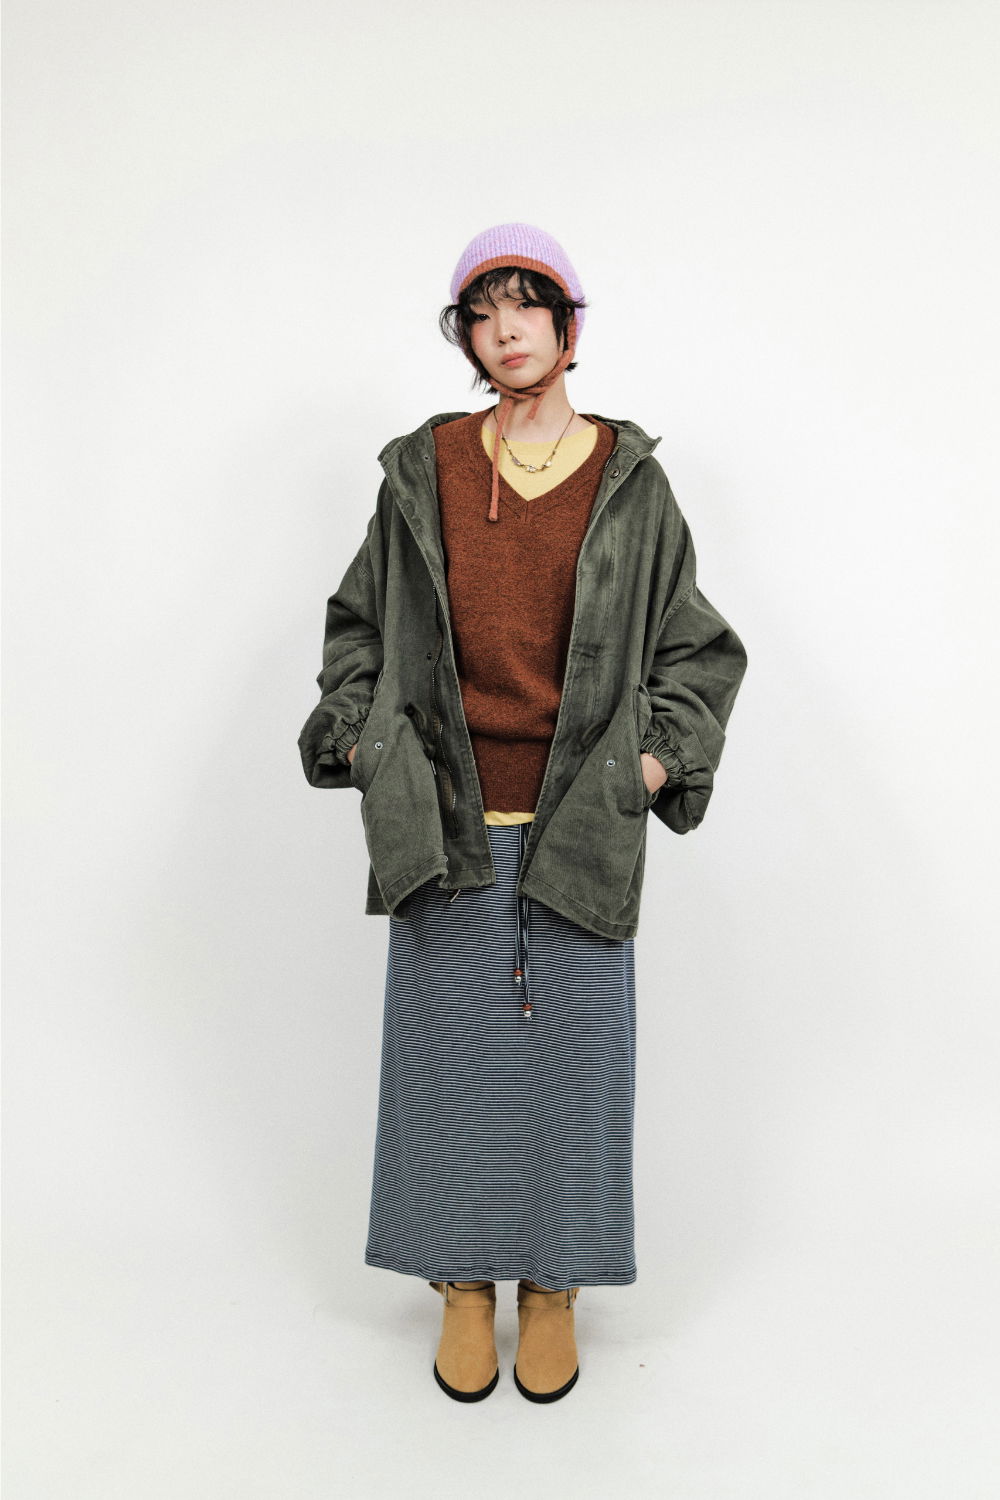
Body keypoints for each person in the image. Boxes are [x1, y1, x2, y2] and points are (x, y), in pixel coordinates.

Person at [298, 222, 748, 1404]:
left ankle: (553, 1288)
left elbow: (696, 652)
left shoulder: (630, 483)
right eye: (481, 311)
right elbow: (357, 628)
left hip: (581, 818)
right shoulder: (425, 467)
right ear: (466, 337)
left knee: (578, 1064)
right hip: (444, 810)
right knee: (444, 1060)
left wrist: (647, 767)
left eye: (525, 304)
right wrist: (366, 741)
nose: (504, 329)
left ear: (568, 326)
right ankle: (460, 1284)